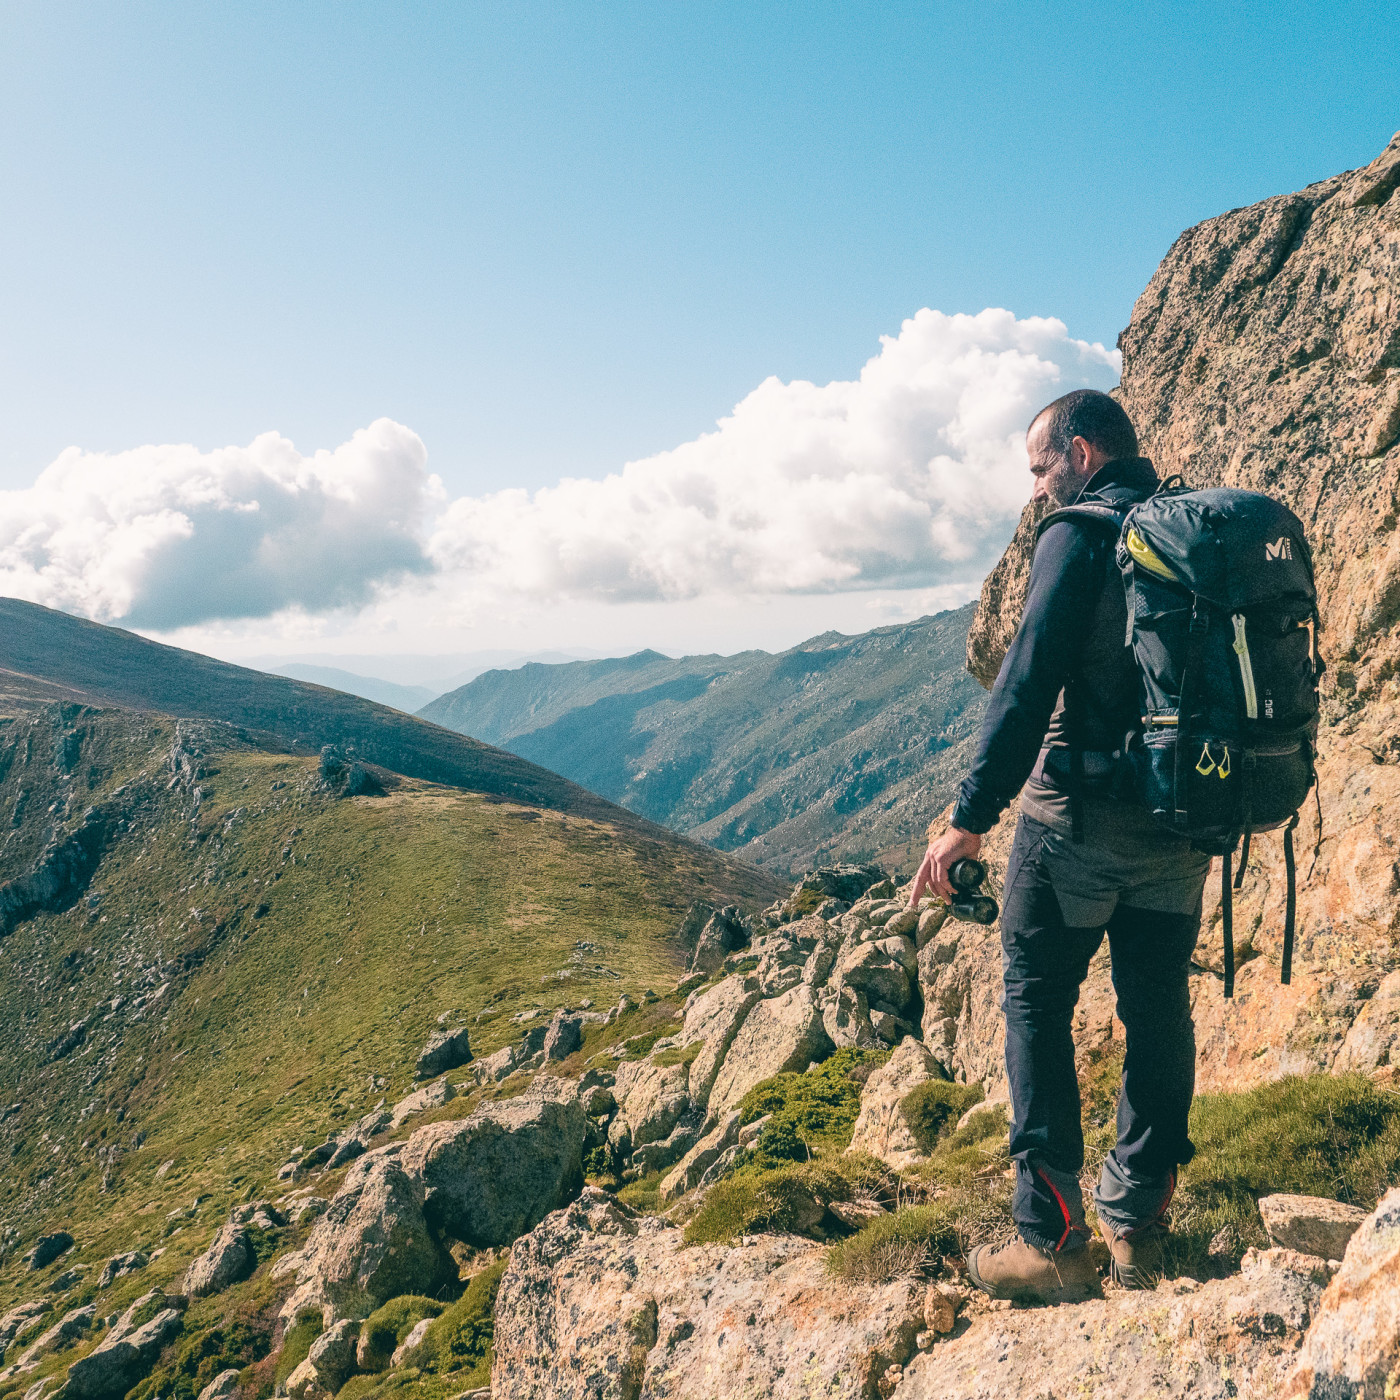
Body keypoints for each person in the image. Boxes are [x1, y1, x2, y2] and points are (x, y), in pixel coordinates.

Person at [909, 389, 1209, 1304]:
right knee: (1158, 1008)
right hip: (1182, 826)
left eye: (1041, 469)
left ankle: (1052, 1241)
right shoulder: (1192, 529)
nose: (1036, 490)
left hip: (1076, 825)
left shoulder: (1079, 535)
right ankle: (1139, 1228)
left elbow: (1026, 683)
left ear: (1080, 453)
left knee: (1036, 999)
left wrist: (970, 816)